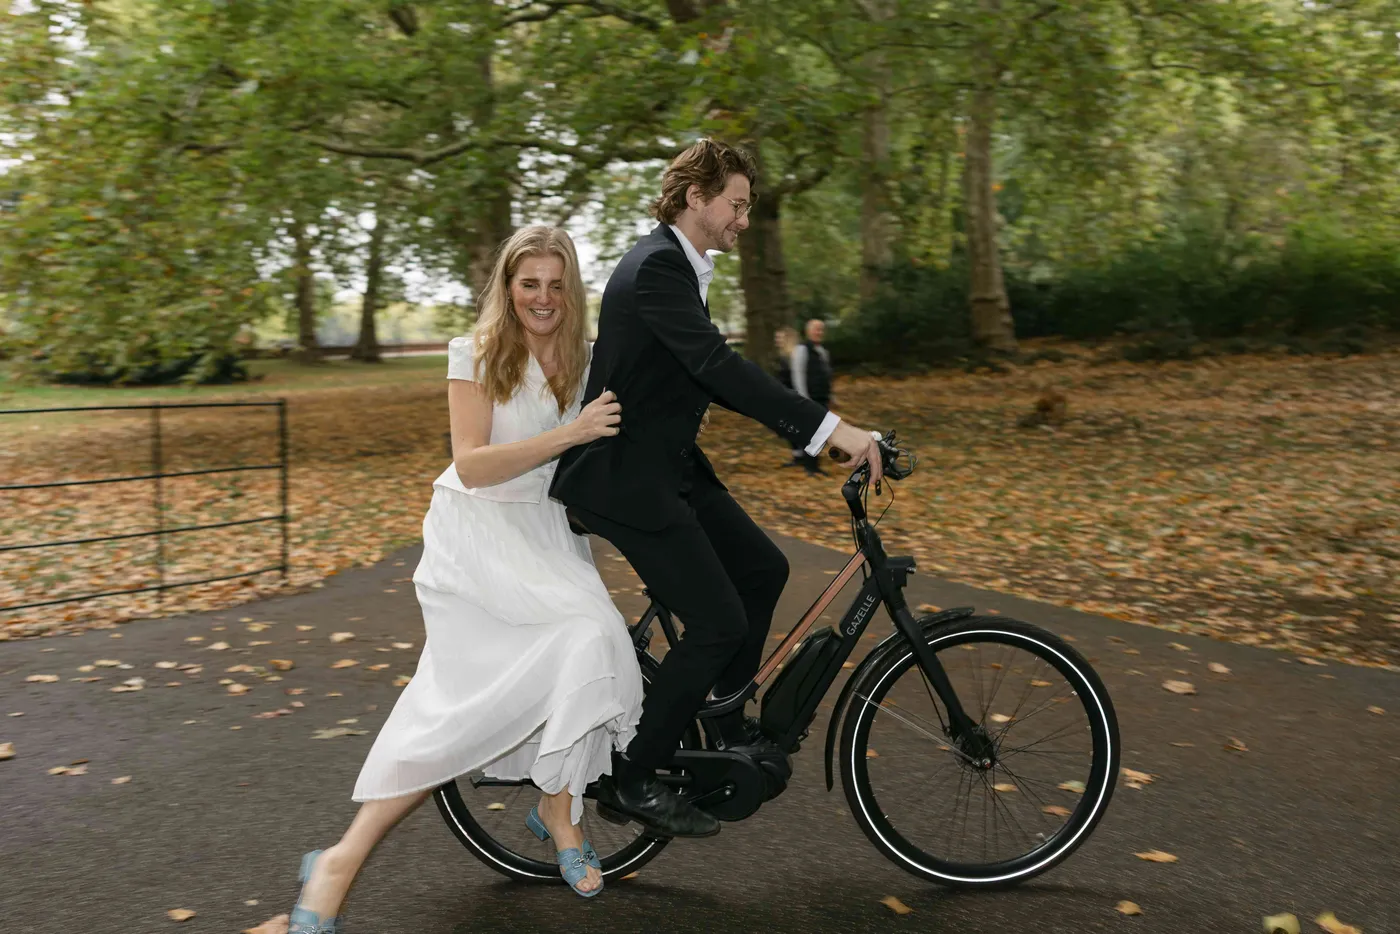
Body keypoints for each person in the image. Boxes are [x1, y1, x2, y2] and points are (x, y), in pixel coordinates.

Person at [288, 227, 644, 929]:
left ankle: (558, 808)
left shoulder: (586, 357)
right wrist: (571, 434)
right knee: (458, 709)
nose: (542, 298)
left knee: (595, 642)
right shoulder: (475, 354)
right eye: (528, 283)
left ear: (571, 289)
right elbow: (474, 465)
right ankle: (338, 861)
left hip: (545, 535)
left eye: (554, 283)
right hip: (476, 536)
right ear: (507, 288)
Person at [551, 139, 884, 839]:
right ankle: (635, 778)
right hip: (625, 480)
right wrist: (832, 431)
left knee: (764, 568)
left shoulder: (680, 267)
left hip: (667, 466)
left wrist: (818, 432)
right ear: (695, 196)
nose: (742, 219)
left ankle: (724, 722)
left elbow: (707, 377)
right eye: (736, 204)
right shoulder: (655, 269)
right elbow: (716, 367)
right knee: (717, 623)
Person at [789, 318, 833, 475]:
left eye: (821, 329)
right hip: (809, 398)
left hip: (822, 398)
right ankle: (810, 466)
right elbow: (798, 374)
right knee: (809, 433)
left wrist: (831, 396)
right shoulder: (801, 349)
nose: (819, 332)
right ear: (808, 331)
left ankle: (814, 464)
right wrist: (803, 398)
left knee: (820, 432)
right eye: (816, 329)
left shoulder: (822, 351)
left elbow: (826, 376)